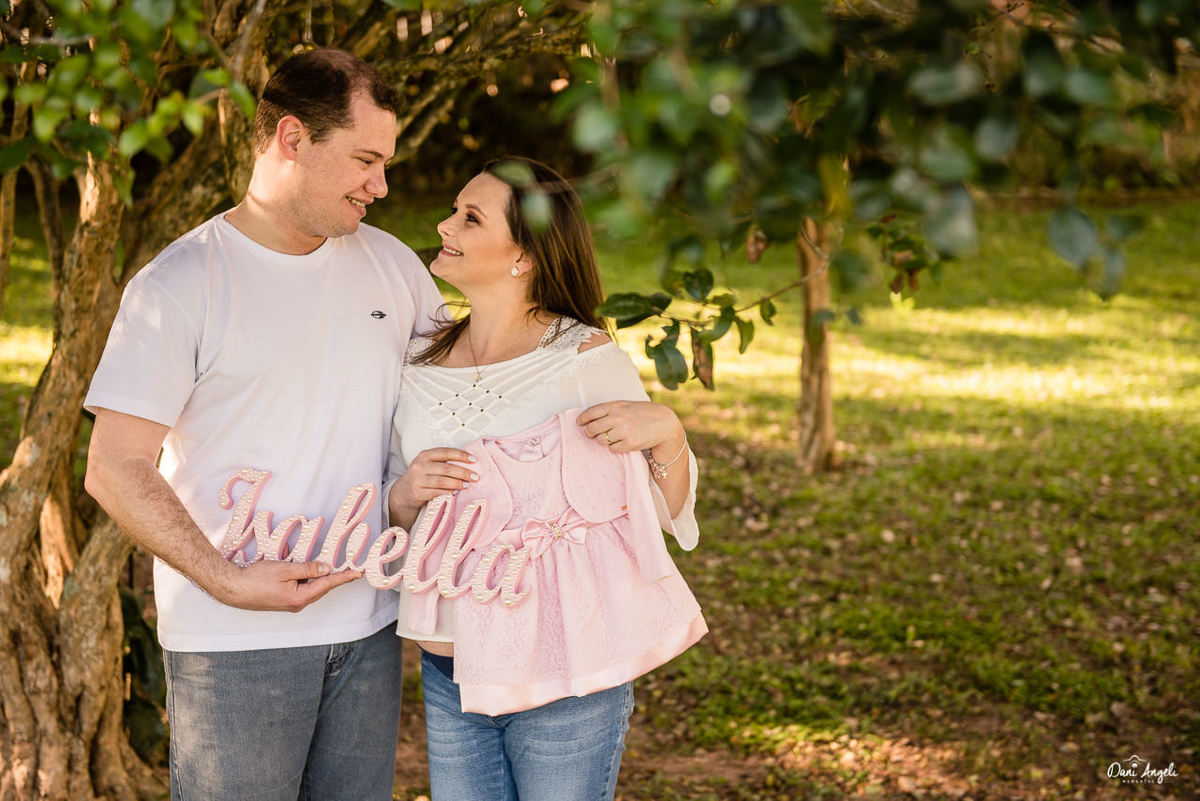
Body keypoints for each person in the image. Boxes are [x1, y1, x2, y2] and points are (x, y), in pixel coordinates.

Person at [83, 49, 445, 801]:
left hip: (369, 629)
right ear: (292, 139)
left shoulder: (396, 268)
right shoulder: (180, 284)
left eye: (385, 163)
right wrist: (228, 581)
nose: (380, 186)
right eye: (366, 160)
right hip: (232, 643)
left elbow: (466, 397)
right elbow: (114, 466)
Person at [385, 157, 707, 801]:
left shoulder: (582, 357)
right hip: (450, 667)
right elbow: (399, 516)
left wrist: (668, 432)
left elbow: (653, 513)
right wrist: (404, 495)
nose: (445, 225)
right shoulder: (419, 360)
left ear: (524, 257)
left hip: (567, 669)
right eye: (453, 211)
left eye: (470, 218)